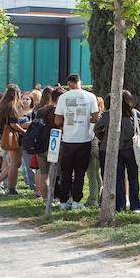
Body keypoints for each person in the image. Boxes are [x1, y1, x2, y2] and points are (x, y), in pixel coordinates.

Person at [53, 74, 99, 210]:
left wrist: (66, 122)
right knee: (80, 172)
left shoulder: (63, 97)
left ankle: (63, 201)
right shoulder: (90, 97)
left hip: (67, 140)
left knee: (66, 171)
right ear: (80, 82)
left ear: (68, 83)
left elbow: (57, 120)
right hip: (84, 139)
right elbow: (95, 116)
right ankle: (77, 201)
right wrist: (85, 121)